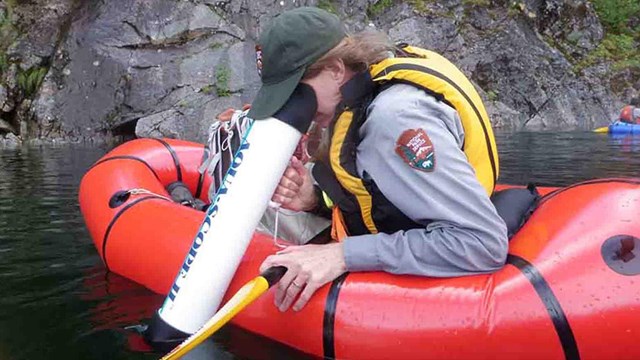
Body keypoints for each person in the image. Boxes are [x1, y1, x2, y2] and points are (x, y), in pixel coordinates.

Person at [245, 7, 508, 313]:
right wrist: (315, 200)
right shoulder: (356, 94)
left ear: (335, 70)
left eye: (296, 94)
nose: (295, 109)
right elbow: (380, 195)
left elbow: (482, 244)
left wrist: (342, 255)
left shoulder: (394, 120)